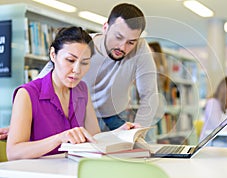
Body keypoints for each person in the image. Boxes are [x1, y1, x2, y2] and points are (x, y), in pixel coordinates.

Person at [6, 27, 133, 160]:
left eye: (84, 63)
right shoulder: (27, 94)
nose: (77, 70)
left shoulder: (82, 90)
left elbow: (95, 138)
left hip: (71, 171)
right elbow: (13, 153)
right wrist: (59, 138)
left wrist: (119, 134)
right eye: (70, 60)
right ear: (53, 55)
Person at [39, 3, 158, 132]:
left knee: (132, 150)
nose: (122, 47)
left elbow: (149, 95)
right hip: (81, 114)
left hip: (116, 115)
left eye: (131, 42)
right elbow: (42, 81)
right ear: (105, 28)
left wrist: (138, 131)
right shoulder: (84, 45)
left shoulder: (140, 49)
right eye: (118, 37)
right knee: (83, 150)